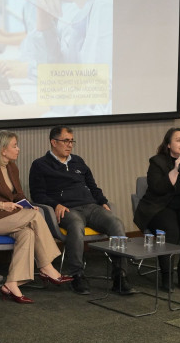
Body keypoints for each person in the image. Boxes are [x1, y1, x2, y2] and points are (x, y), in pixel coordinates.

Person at [28, 125, 130, 295]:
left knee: (116, 223)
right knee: (75, 225)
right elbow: (37, 195)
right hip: (67, 209)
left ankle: (120, 276)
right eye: (65, 141)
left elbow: (93, 186)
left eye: (71, 141)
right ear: (53, 142)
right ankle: (77, 275)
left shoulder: (78, 161)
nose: (69, 145)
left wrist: (103, 201)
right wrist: (55, 205)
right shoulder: (40, 165)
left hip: (90, 206)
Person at [0, 130, 69, 303]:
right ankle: (46, 267)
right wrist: (2, 205)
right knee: (35, 217)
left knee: (28, 233)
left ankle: (11, 284)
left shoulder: (12, 167)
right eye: (14, 146)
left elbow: (18, 195)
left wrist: (29, 205)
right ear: (3, 150)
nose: (18, 149)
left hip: (10, 219)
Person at [132, 127, 180, 292]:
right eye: (178, 140)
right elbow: (157, 188)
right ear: (168, 144)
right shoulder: (157, 162)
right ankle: (167, 276)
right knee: (170, 231)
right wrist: (175, 170)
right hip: (160, 207)